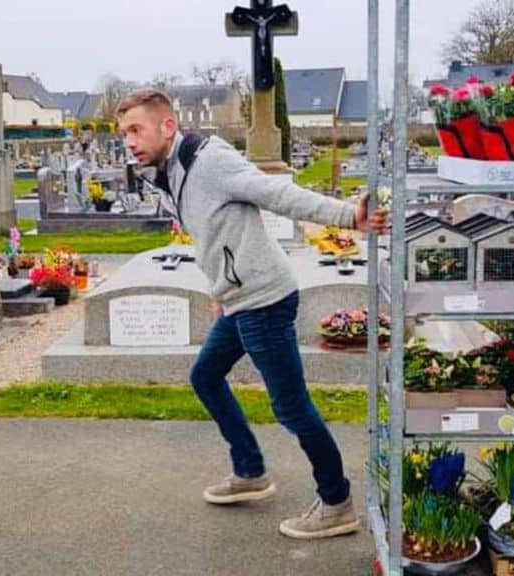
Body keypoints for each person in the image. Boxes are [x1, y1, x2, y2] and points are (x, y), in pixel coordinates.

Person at [118, 89, 389, 540]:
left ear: (167, 126)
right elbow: (215, 235)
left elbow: (276, 193)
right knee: (205, 377)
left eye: (135, 130)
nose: (128, 141)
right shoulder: (171, 171)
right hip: (240, 298)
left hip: (263, 301)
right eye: (124, 132)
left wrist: (347, 216)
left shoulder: (209, 161)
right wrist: (219, 287)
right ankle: (251, 471)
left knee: (292, 408)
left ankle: (338, 503)